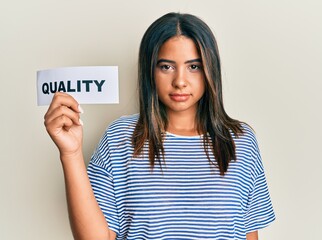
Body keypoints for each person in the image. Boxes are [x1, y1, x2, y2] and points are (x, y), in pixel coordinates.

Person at [44, 12, 275, 240]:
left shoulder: (240, 141)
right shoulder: (120, 138)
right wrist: (71, 153)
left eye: (193, 66)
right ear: (150, 70)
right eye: (166, 67)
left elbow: (248, 235)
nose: (180, 81)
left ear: (209, 70)